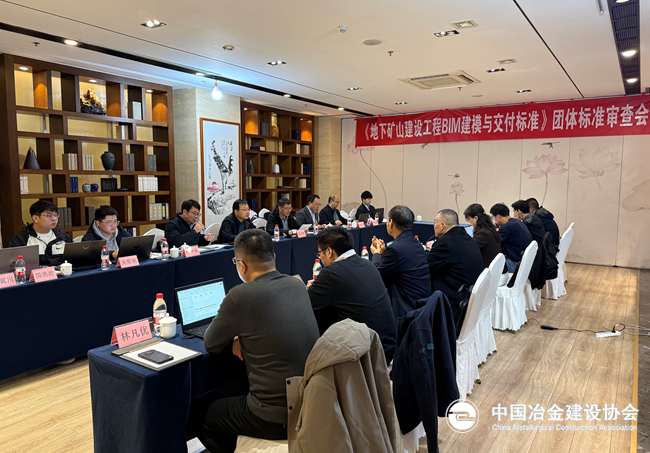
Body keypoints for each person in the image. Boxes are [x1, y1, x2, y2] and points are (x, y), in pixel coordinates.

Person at [200, 229, 320, 453]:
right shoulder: (296, 285)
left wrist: (238, 337)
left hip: (274, 415)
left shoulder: (240, 295)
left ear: (241, 266)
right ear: (273, 257)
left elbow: (211, 343)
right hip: (311, 402)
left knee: (203, 418)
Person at [307, 226, 396, 362]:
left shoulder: (331, 273)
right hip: (388, 348)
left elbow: (305, 305)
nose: (321, 258)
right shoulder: (368, 265)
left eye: (320, 254)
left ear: (329, 252)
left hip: (367, 356)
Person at [370, 205, 431, 319]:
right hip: (422, 305)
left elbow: (377, 278)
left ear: (391, 223)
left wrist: (376, 254)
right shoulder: (416, 243)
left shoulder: (395, 249)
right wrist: (384, 253)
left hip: (406, 308)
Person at [426, 209, 483, 319]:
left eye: (435, 222)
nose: (434, 226)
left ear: (442, 225)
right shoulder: (468, 238)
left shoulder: (444, 243)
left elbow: (425, 265)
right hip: (469, 296)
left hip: (453, 301)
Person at [9, 200, 71, 266]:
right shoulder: (21, 239)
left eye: (56, 215)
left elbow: (72, 260)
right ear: (36, 218)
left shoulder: (62, 236)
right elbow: (13, 265)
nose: (54, 219)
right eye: (49, 215)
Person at [490, 203, 532, 273]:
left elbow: (493, 241)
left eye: (493, 217)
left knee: (489, 266)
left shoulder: (506, 227)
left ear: (498, 216)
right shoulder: (517, 222)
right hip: (523, 261)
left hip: (514, 263)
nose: (493, 220)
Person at [463, 203, 503, 269]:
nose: (469, 222)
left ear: (475, 218)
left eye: (469, 219)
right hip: (496, 269)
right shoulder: (489, 229)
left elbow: (469, 249)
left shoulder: (483, 233)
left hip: (489, 270)